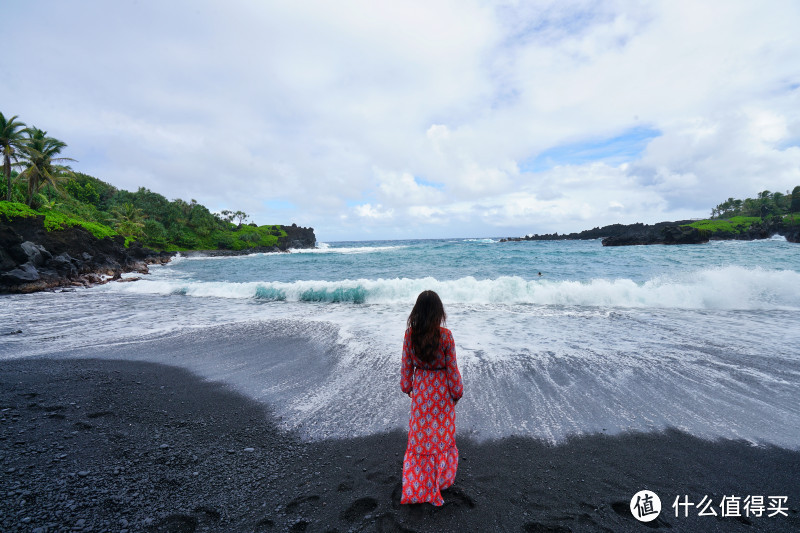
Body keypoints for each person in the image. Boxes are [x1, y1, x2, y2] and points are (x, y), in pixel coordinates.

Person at [400, 290, 463, 506]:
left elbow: (406, 365)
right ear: (439, 312)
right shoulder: (446, 336)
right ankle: (440, 480)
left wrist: (407, 387)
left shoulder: (410, 334)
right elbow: (452, 369)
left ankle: (418, 483)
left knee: (421, 438)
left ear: (417, 311)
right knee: (440, 437)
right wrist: (457, 392)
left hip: (422, 390)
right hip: (442, 391)